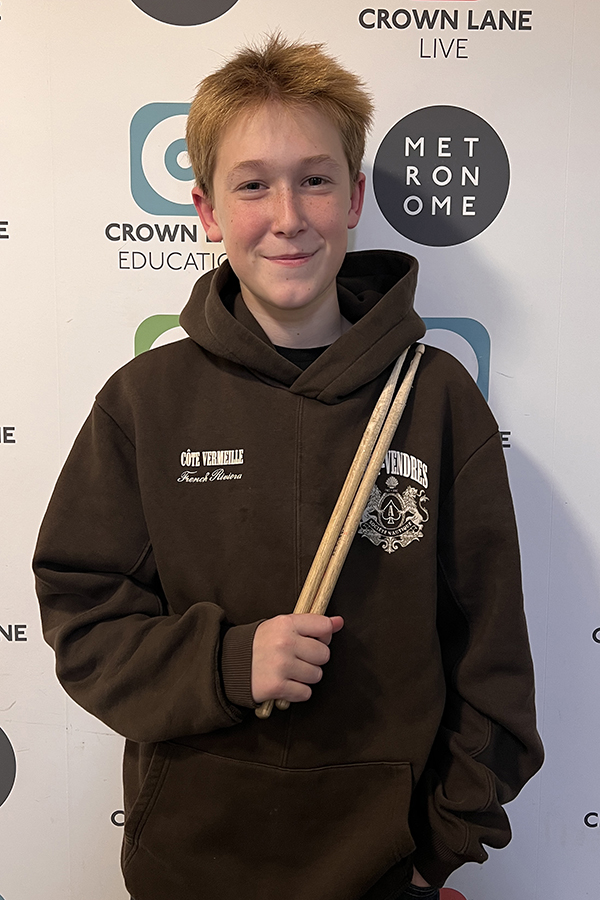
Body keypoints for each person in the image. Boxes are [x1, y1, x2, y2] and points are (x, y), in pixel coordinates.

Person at [34, 34, 543, 900]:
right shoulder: (144, 402)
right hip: (188, 867)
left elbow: (490, 652)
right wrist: (229, 663)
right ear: (206, 209)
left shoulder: (435, 397)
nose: (288, 215)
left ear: (353, 200)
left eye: (314, 179)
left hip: (386, 869)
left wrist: (439, 845)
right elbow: (84, 623)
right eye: (252, 185)